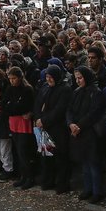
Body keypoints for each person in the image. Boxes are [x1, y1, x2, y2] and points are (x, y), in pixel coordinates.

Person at [67, 66, 106, 203]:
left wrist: (79, 125)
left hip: (90, 132)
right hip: (77, 131)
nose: (78, 81)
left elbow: (95, 112)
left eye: (80, 78)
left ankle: (97, 191)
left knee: (93, 162)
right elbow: (70, 109)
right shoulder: (77, 92)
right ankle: (87, 188)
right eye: (76, 78)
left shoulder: (96, 92)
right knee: (84, 162)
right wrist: (71, 123)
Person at [35, 65, 72, 193]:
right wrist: (39, 119)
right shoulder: (45, 87)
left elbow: (59, 110)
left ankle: (62, 184)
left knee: (60, 157)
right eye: (47, 77)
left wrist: (44, 120)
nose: (49, 79)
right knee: (46, 156)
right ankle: (48, 181)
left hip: (58, 128)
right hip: (44, 128)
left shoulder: (65, 89)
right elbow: (38, 103)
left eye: (51, 77)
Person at [3, 67, 36, 189]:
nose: (12, 81)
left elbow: (24, 106)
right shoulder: (9, 89)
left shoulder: (27, 90)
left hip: (23, 123)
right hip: (14, 121)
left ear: (20, 78)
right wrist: (14, 107)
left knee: (24, 151)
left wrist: (13, 106)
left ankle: (29, 177)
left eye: (14, 78)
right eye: (10, 79)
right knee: (18, 150)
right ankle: (23, 176)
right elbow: (4, 104)